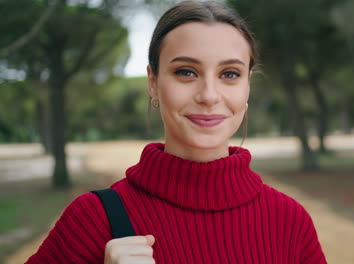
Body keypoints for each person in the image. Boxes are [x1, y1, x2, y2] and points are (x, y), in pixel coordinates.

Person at [25, 1, 327, 263]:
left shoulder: (290, 222)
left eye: (230, 74)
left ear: (248, 85)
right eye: (186, 72)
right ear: (153, 83)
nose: (209, 95)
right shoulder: (93, 219)